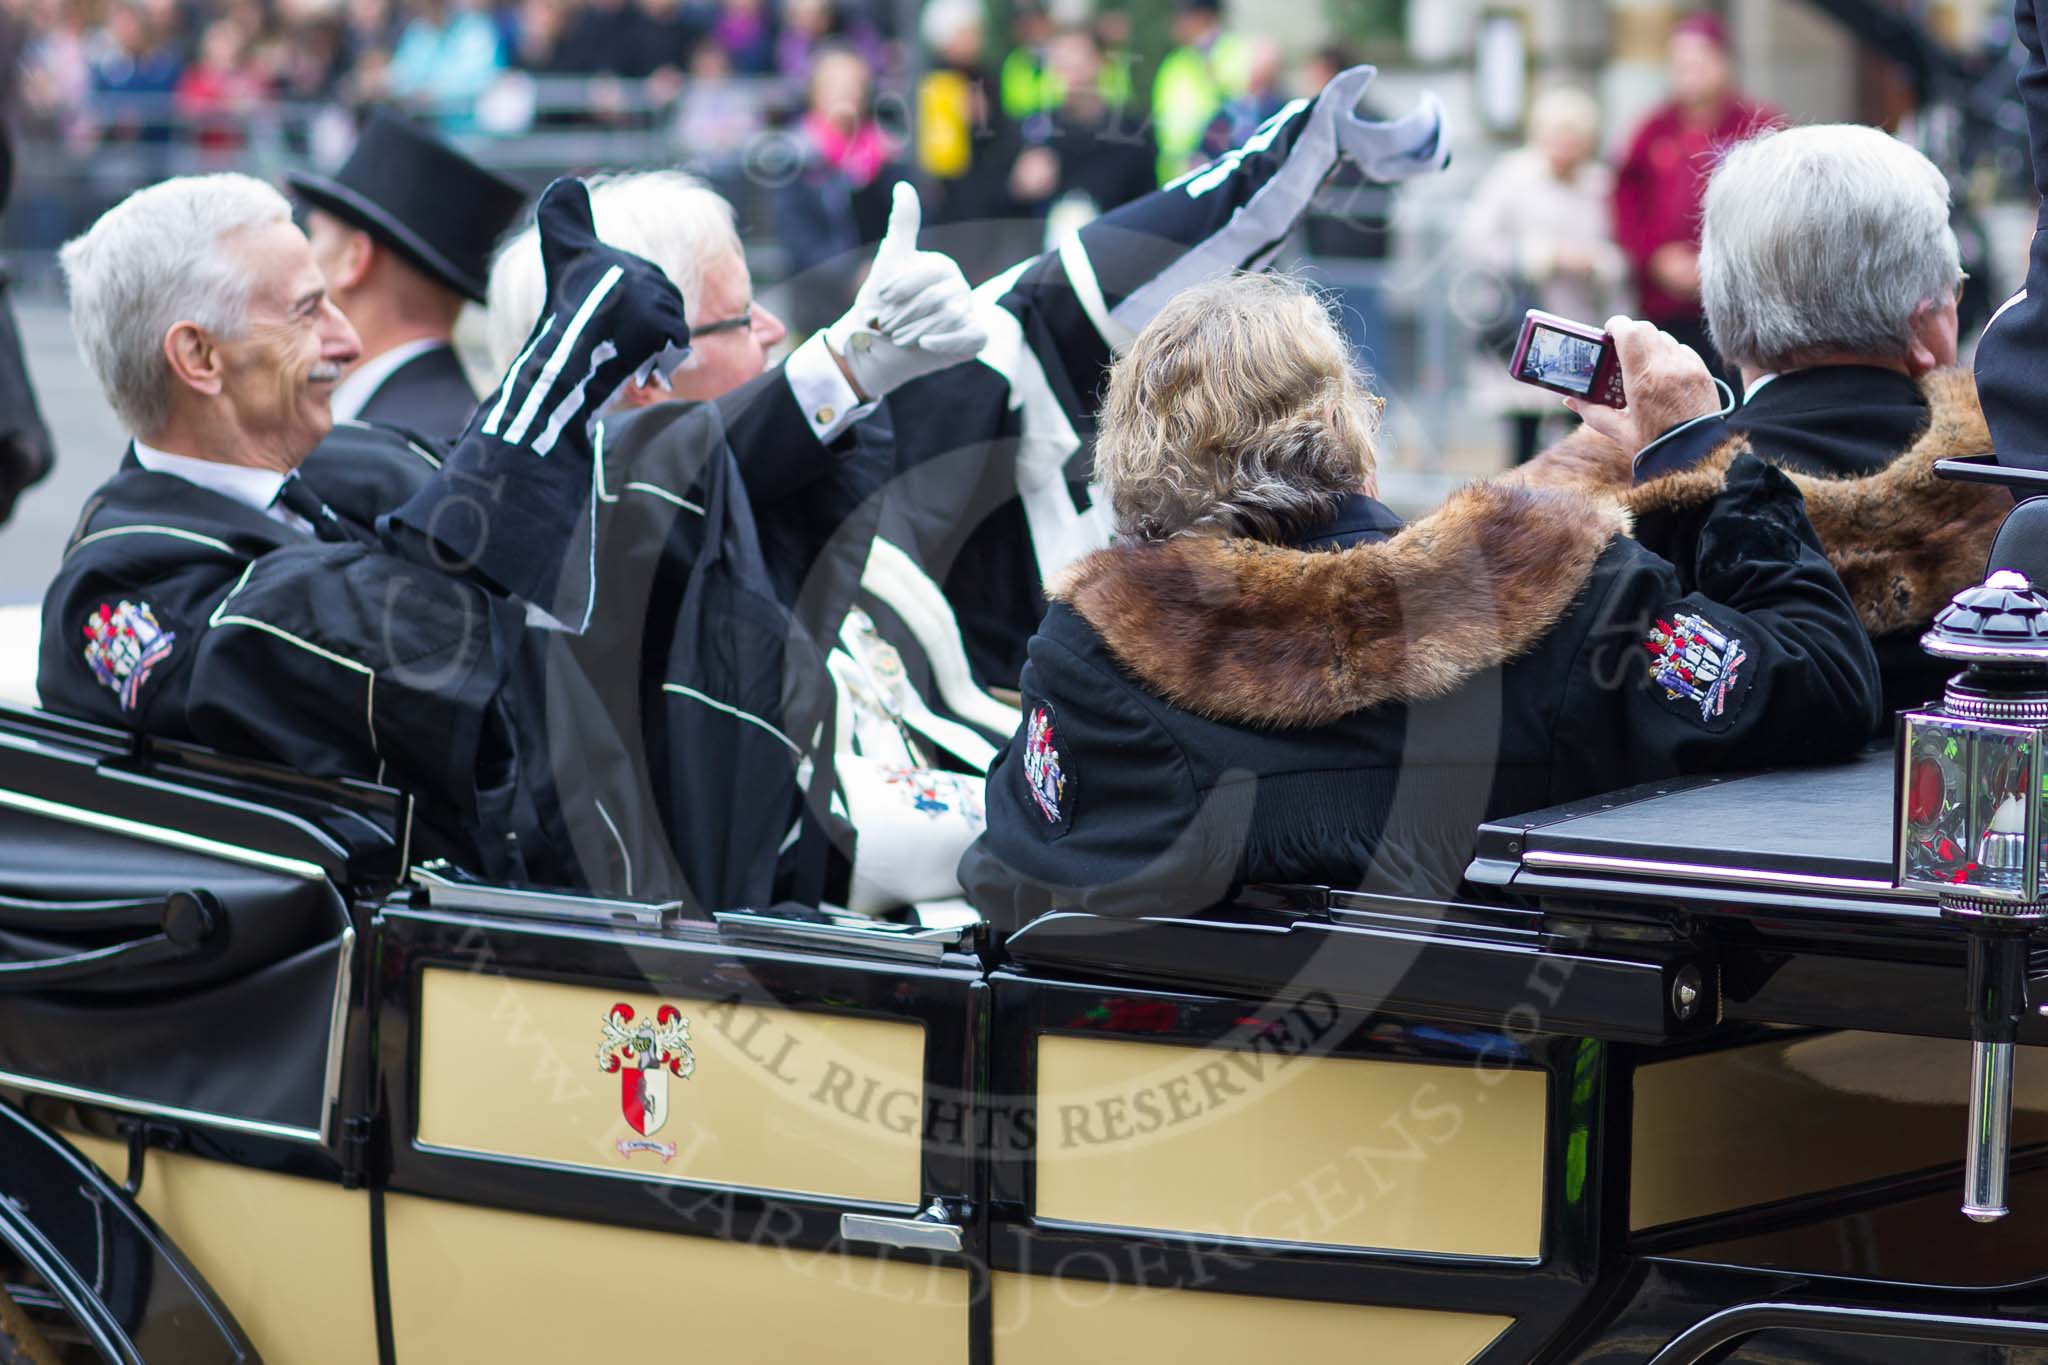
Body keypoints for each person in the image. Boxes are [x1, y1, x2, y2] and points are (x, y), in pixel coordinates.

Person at [41, 171, 985, 908]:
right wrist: (559, 373)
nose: (342, 339)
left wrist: (840, 373)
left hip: (582, 923)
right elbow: (424, 637)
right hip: (424, 1027)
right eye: (304, 311)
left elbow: (619, 504)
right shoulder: (125, 585)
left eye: (332, 300)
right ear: (198, 357)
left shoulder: (354, 464)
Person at [958, 273, 1880, 926]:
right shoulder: (1559, 597)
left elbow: (1011, 878)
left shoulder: (1087, 663)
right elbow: (1822, 683)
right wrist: (1697, 449)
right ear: (1341, 428)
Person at [1531, 122, 2011, 718]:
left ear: (1725, 318)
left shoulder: (1575, 526)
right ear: (1923, 323)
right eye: (1955, 293)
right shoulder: (2008, 492)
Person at [290, 109, 528, 438]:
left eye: (313, 238)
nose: (301, 264)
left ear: (355, 259)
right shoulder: (456, 424)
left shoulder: (382, 437)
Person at [1459, 87, 1626, 466]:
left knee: (1576, 436)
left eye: (1573, 139)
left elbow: (1623, 252)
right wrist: (1544, 256)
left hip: (1580, 328)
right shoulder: (1511, 177)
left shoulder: (1601, 186)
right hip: (1524, 325)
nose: (1564, 148)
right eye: (1556, 136)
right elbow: (1477, 239)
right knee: (1522, 434)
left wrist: (1597, 263)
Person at [1612, 13, 1777, 377]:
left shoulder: (1758, 125)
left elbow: (1777, 205)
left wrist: (1719, 264)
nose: (1690, 74)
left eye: (1700, 63)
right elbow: (1627, 201)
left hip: (1738, 304)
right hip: (1664, 304)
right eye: (1681, 65)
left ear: (1724, 63)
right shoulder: (1651, 130)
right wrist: (1655, 257)